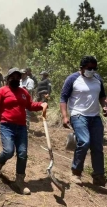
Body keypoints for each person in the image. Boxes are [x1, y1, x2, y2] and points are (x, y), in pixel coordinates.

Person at [0, 67, 47, 195]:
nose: (15, 79)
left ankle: (19, 181)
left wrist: (41, 105)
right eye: (12, 77)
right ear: (8, 79)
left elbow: (30, 105)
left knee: (22, 153)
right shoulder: (1, 91)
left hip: (21, 127)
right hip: (6, 126)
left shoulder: (24, 92)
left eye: (18, 77)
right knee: (8, 151)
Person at [60, 55, 107, 187]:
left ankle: (98, 176)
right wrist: (65, 116)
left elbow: (102, 96)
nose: (92, 71)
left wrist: (105, 105)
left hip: (95, 117)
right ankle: (76, 172)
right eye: (89, 68)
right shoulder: (72, 79)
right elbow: (63, 98)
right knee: (84, 142)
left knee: (97, 146)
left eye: (94, 68)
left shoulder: (97, 79)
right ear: (82, 68)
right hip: (78, 115)